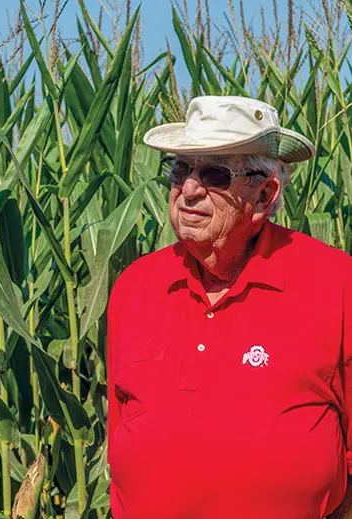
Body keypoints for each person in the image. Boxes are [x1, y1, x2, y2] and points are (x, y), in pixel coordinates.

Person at [106, 95, 352, 519]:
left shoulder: (336, 283)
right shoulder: (134, 287)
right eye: (181, 169)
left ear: (264, 195)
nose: (189, 189)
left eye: (215, 174)